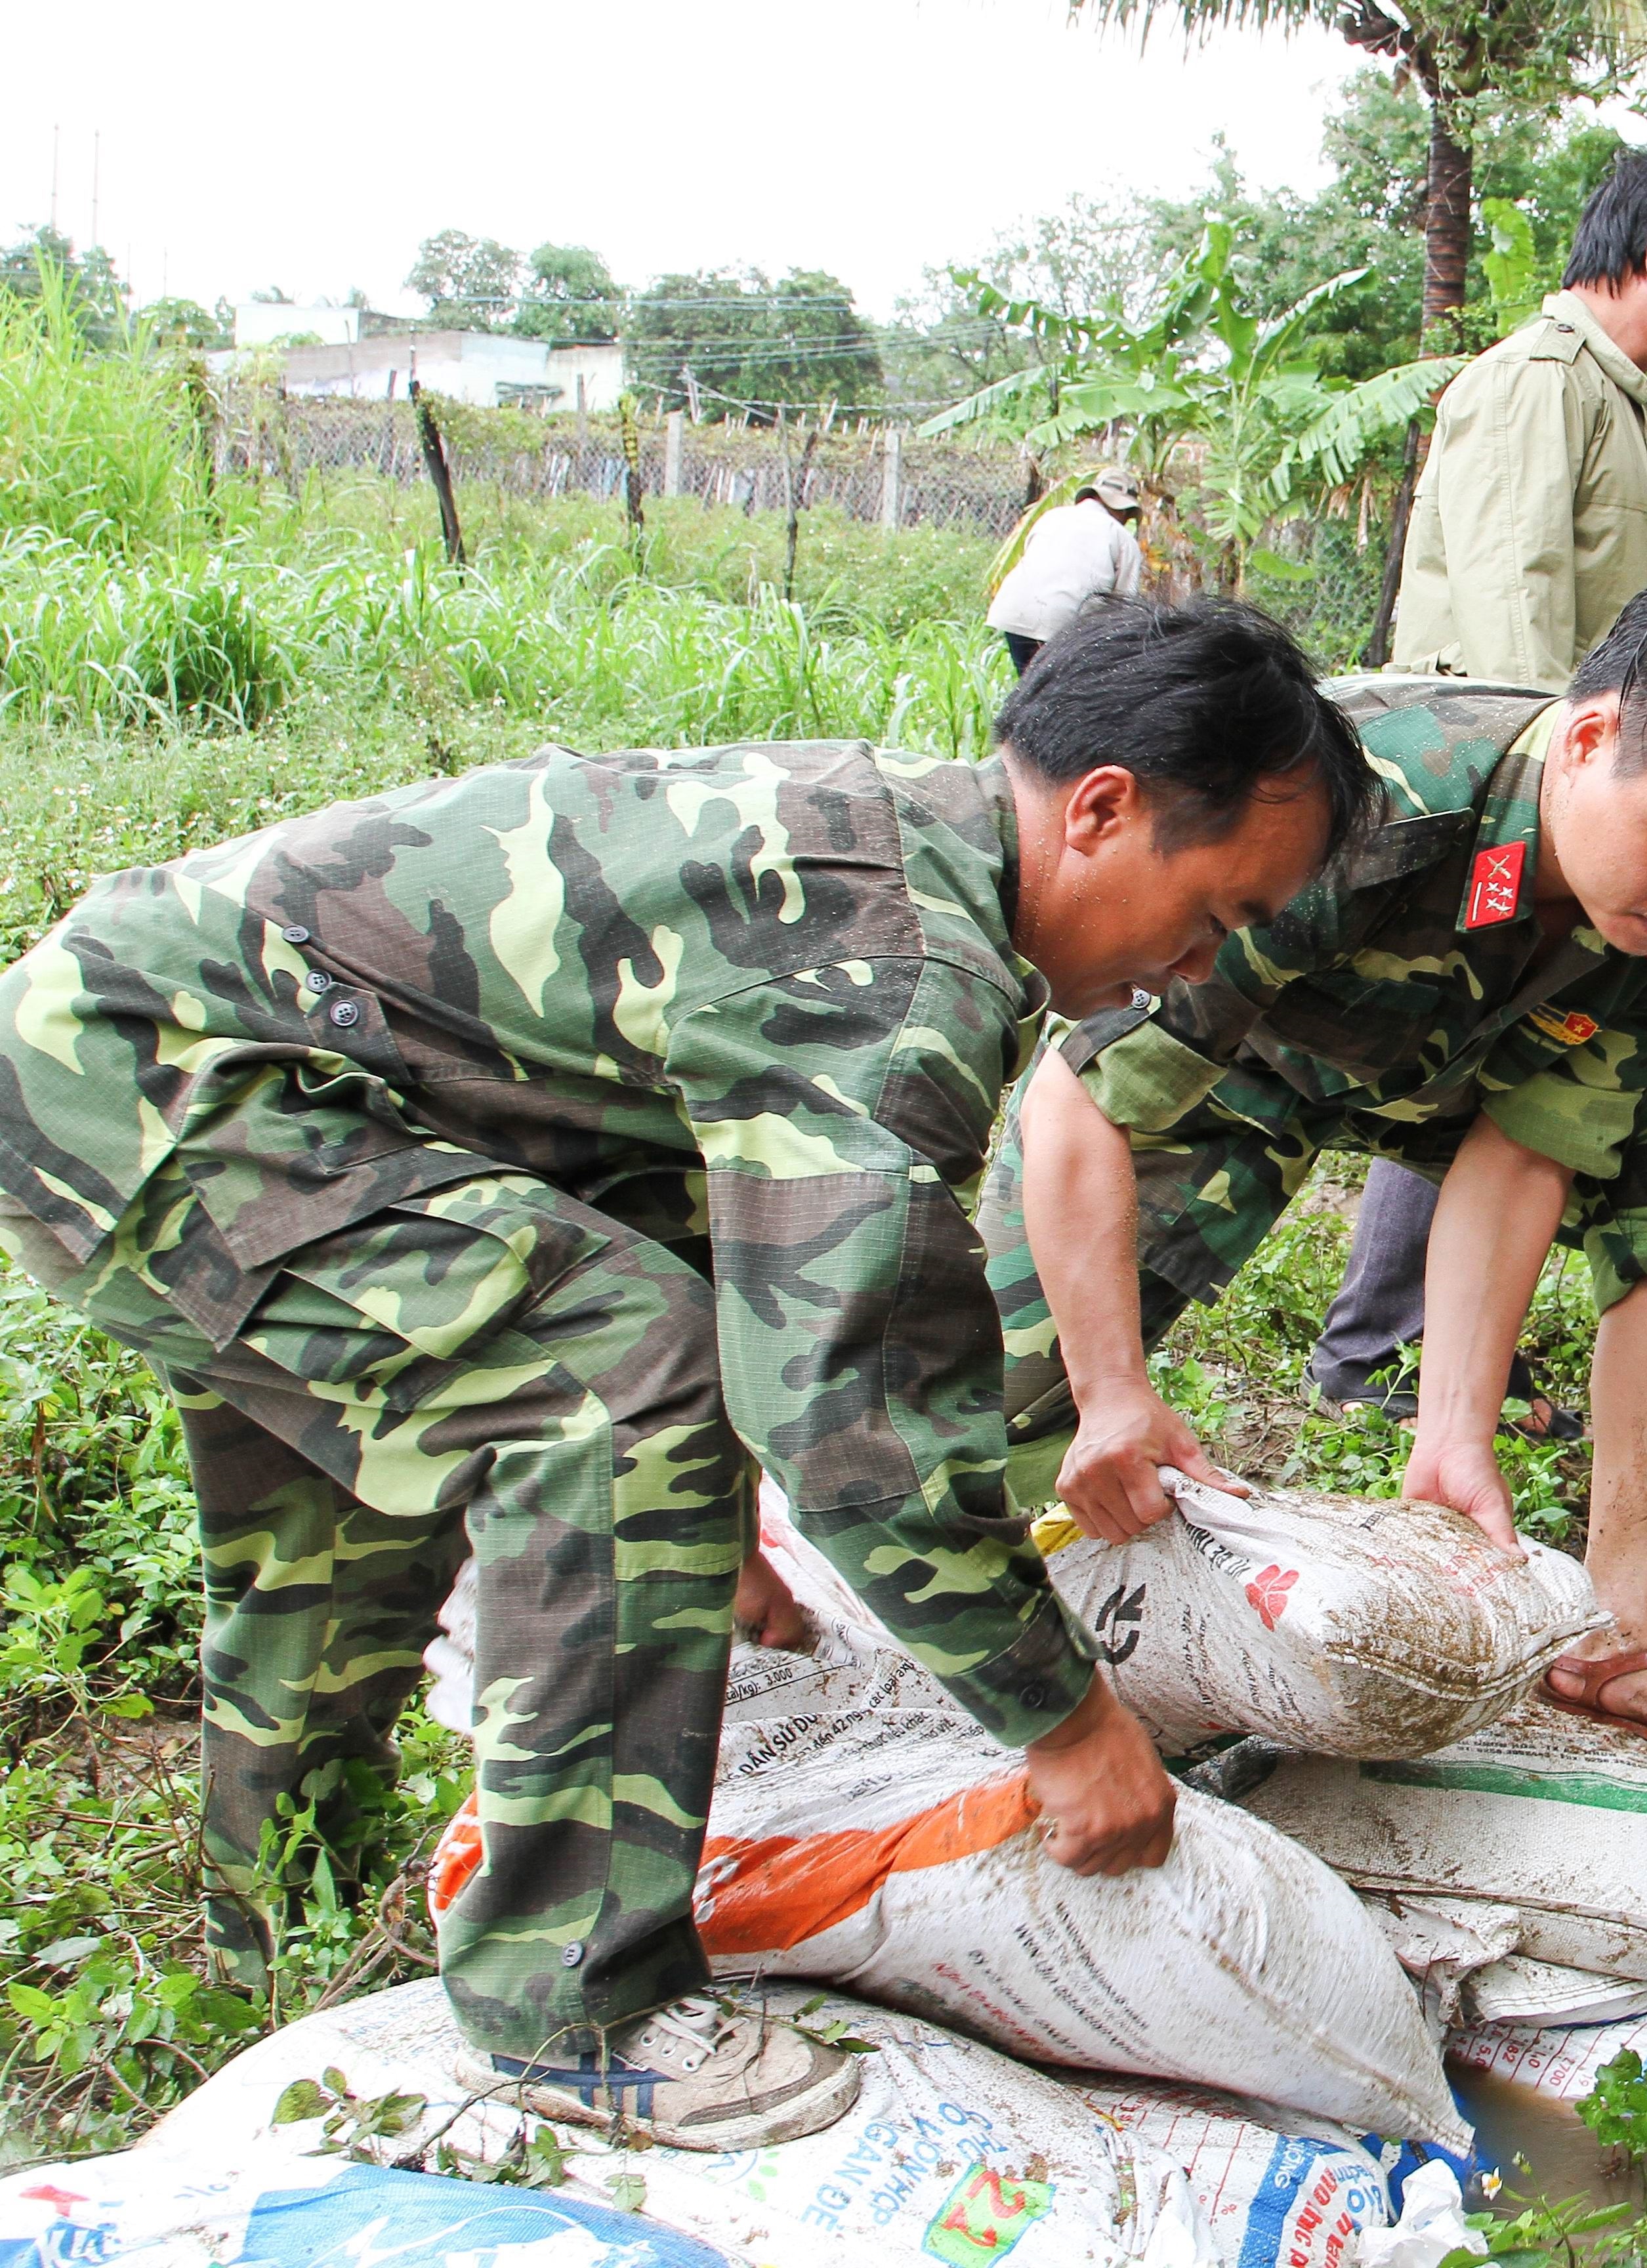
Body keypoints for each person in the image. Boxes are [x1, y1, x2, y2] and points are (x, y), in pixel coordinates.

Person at [0, 600, 1371, 2151]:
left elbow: (665, 1184)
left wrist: (709, 1544)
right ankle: (577, 2011)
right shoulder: (900, 976)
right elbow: (856, 1413)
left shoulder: (887, 845)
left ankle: (277, 1941)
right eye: (1214, 912)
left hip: (147, 1060)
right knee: (614, 1388)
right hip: (183, 1086)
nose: (1190, 970)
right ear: (1102, 808)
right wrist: (1065, 1722)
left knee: (353, 1510)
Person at [988, 576, 1647, 1798]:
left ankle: (1622, 1637)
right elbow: (1083, 1097)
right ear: (1590, 738)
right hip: (1240, 1064)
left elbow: (1525, 1144)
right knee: (990, 1403)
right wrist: (1111, 1388)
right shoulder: (1345, 809)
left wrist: (1455, 1429)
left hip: (1450, 1070)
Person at [1318, 146, 1647, 1431]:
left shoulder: (1622, 404)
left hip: (1576, 796)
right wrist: (1546, 815)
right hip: (1508, 799)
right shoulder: (1538, 384)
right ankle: (1379, 1348)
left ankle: (1428, 1347)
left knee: (1504, 1054)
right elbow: (1514, 611)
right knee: (1456, 1041)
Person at [988, 467, 1150, 672]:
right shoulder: (1121, 537)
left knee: (1031, 683)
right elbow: (1124, 606)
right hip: (1063, 623)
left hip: (1015, 613)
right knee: (1063, 688)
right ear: (1123, 510)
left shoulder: (1051, 516)